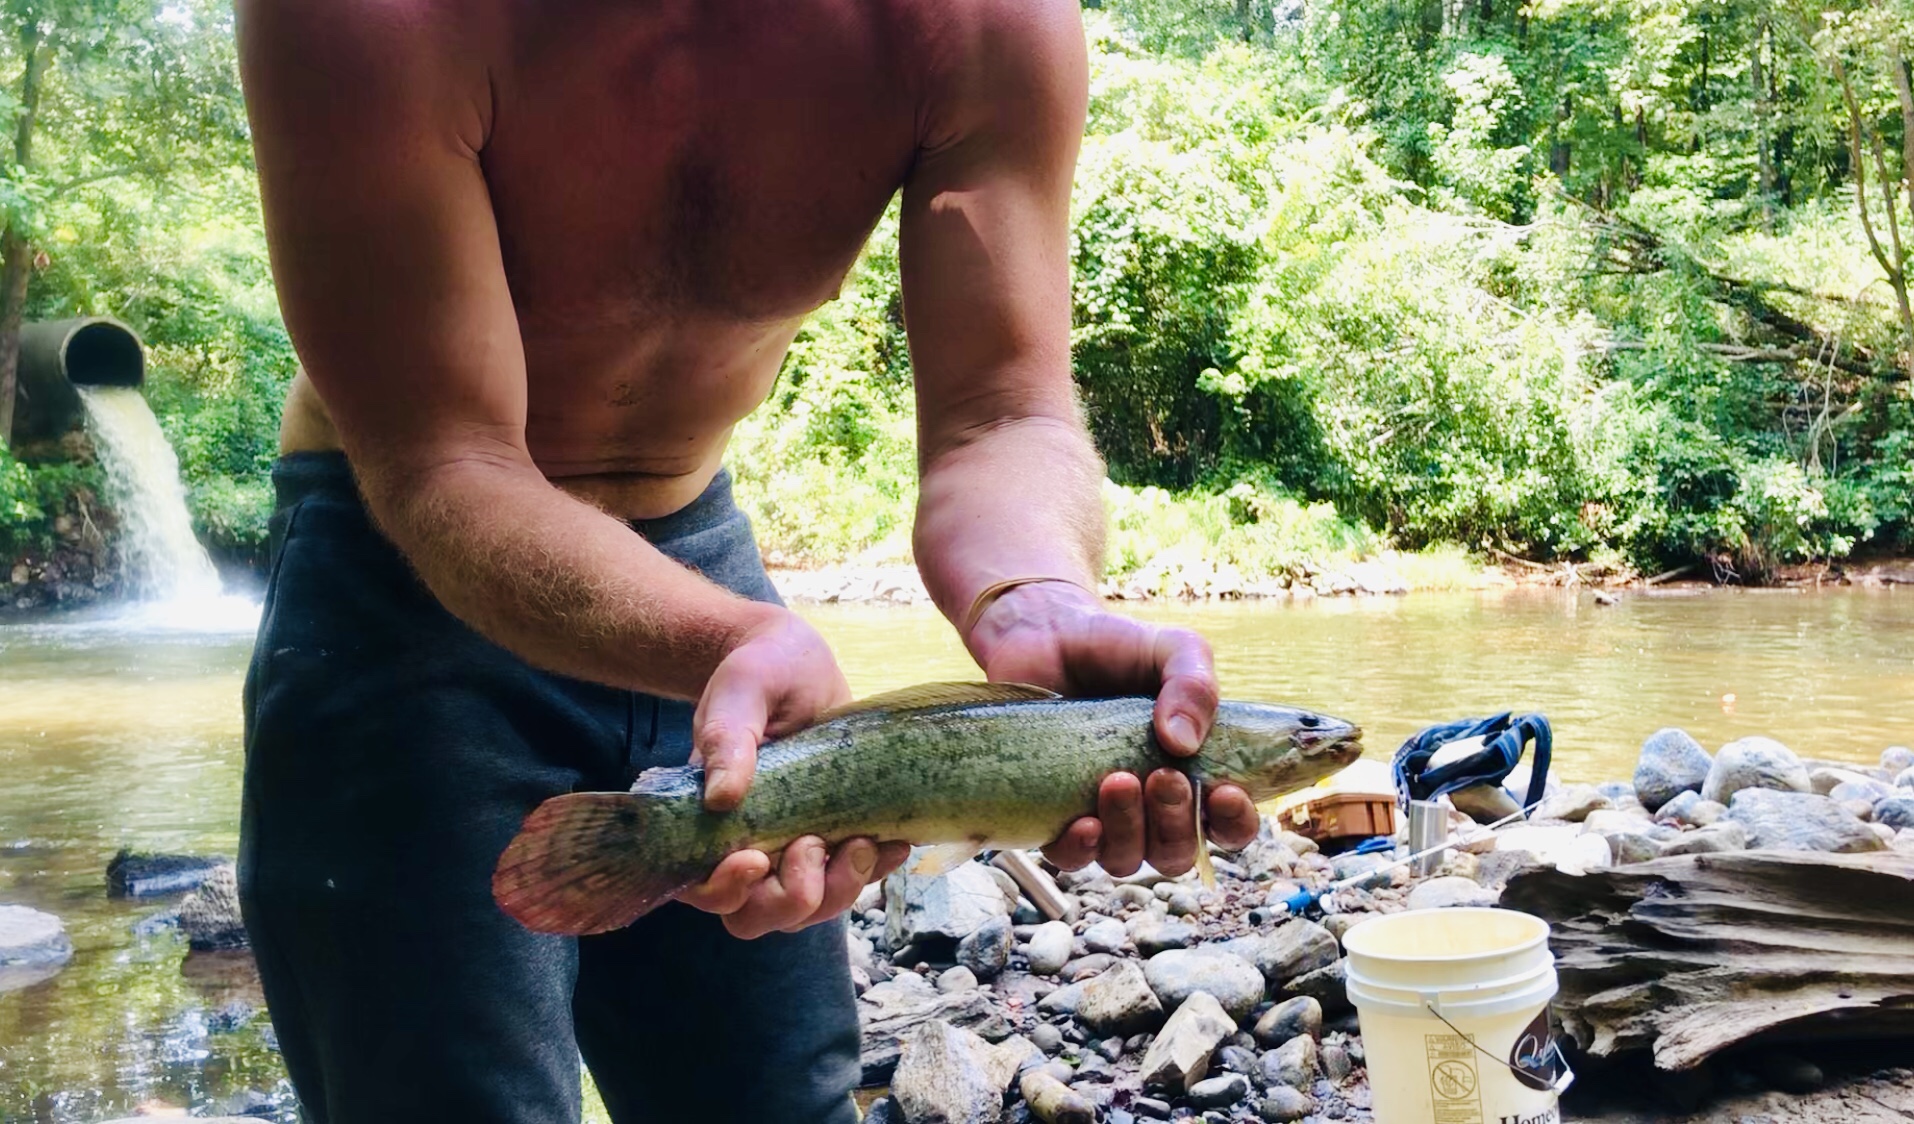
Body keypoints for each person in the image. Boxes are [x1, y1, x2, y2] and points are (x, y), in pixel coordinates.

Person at [232, 2, 1261, 1121]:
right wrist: (723, 635)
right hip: (400, 580)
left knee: (777, 1099)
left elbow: (999, 415)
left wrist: (1034, 592)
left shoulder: (984, 25)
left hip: (706, 562)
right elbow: (443, 460)